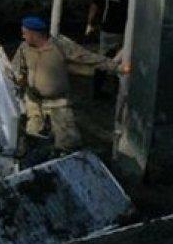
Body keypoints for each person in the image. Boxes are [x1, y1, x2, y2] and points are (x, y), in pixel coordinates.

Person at [12, 16, 126, 153]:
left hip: (58, 102)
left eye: (25, 33)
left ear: (35, 34)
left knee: (68, 142)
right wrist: (18, 79)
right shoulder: (24, 48)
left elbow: (87, 58)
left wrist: (116, 67)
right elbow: (16, 68)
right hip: (34, 101)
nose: (23, 36)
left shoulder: (60, 45)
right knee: (33, 137)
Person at [85, 0, 131, 98]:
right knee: (122, 59)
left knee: (104, 58)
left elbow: (95, 5)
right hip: (124, 28)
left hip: (108, 27)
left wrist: (90, 23)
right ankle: (118, 90)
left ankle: (97, 89)